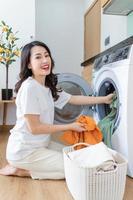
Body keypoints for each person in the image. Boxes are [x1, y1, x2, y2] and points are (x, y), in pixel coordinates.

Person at [0, 41, 114, 179]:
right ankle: (21, 171)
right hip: (24, 151)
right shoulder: (29, 88)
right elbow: (34, 128)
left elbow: (73, 99)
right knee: (76, 169)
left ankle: (28, 167)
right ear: (29, 64)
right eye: (38, 57)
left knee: (77, 156)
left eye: (46, 55)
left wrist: (104, 99)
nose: (44, 60)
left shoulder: (47, 87)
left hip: (42, 145)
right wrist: (70, 126)